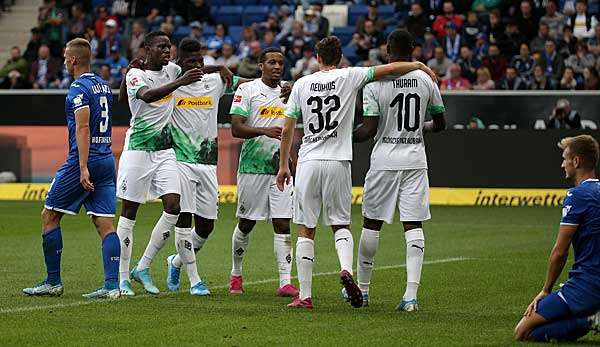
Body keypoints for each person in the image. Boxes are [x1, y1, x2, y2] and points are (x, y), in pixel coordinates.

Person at [276, 35, 437, 309]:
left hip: (309, 160)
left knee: (306, 228)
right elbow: (388, 69)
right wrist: (419, 65)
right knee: (341, 224)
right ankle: (346, 269)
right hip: (339, 161)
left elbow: (288, 128)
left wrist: (283, 165)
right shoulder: (351, 76)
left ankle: (305, 295)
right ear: (340, 57)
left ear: (317, 57)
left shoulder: (301, 84)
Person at [350, 29, 446, 311]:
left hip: (383, 161)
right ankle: (410, 296)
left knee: (371, 223)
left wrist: (345, 134)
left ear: (387, 51)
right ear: (414, 49)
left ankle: (364, 291)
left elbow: (368, 129)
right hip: (415, 159)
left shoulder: (375, 82)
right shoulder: (426, 79)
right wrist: (420, 128)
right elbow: (440, 123)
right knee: (413, 225)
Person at [22, 38, 120, 299]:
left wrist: (82, 166)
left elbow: (83, 126)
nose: (64, 60)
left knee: (49, 215)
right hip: (107, 159)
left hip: (84, 160)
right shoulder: (103, 85)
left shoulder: (78, 89)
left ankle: (53, 282)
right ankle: (112, 287)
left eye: (66, 56)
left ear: (74, 60)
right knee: (104, 223)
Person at [115, 31, 204, 296]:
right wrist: (180, 82)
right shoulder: (136, 74)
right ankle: (122, 279)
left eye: (169, 47)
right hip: (138, 150)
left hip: (165, 151)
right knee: (129, 212)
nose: (167, 51)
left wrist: (218, 68)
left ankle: (142, 266)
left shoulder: (173, 69)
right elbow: (146, 96)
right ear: (147, 49)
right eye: (161, 47)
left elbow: (192, 68)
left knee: (174, 206)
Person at [164, 38, 240, 296]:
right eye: (191, 62)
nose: (197, 66)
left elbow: (249, 86)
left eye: (200, 61)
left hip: (208, 165)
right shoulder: (173, 86)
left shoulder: (215, 82)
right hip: (180, 161)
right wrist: (217, 66)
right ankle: (195, 279)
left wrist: (283, 87)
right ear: (180, 64)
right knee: (184, 220)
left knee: (206, 226)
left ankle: (175, 261)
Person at [227, 47, 299, 297]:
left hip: (280, 169)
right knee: (246, 223)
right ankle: (236, 274)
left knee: (282, 222)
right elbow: (236, 128)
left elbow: (290, 128)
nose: (277, 67)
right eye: (272, 62)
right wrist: (263, 131)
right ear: (261, 66)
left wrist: (290, 157)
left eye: (280, 62)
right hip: (252, 168)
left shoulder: (289, 91)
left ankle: (285, 281)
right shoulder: (247, 90)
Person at [514, 135, 600, 342]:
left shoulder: (577, 195)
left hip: (586, 286)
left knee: (523, 332)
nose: (562, 164)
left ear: (576, 161)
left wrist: (545, 290)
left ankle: (591, 321)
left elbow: (560, 251)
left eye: (565, 158)